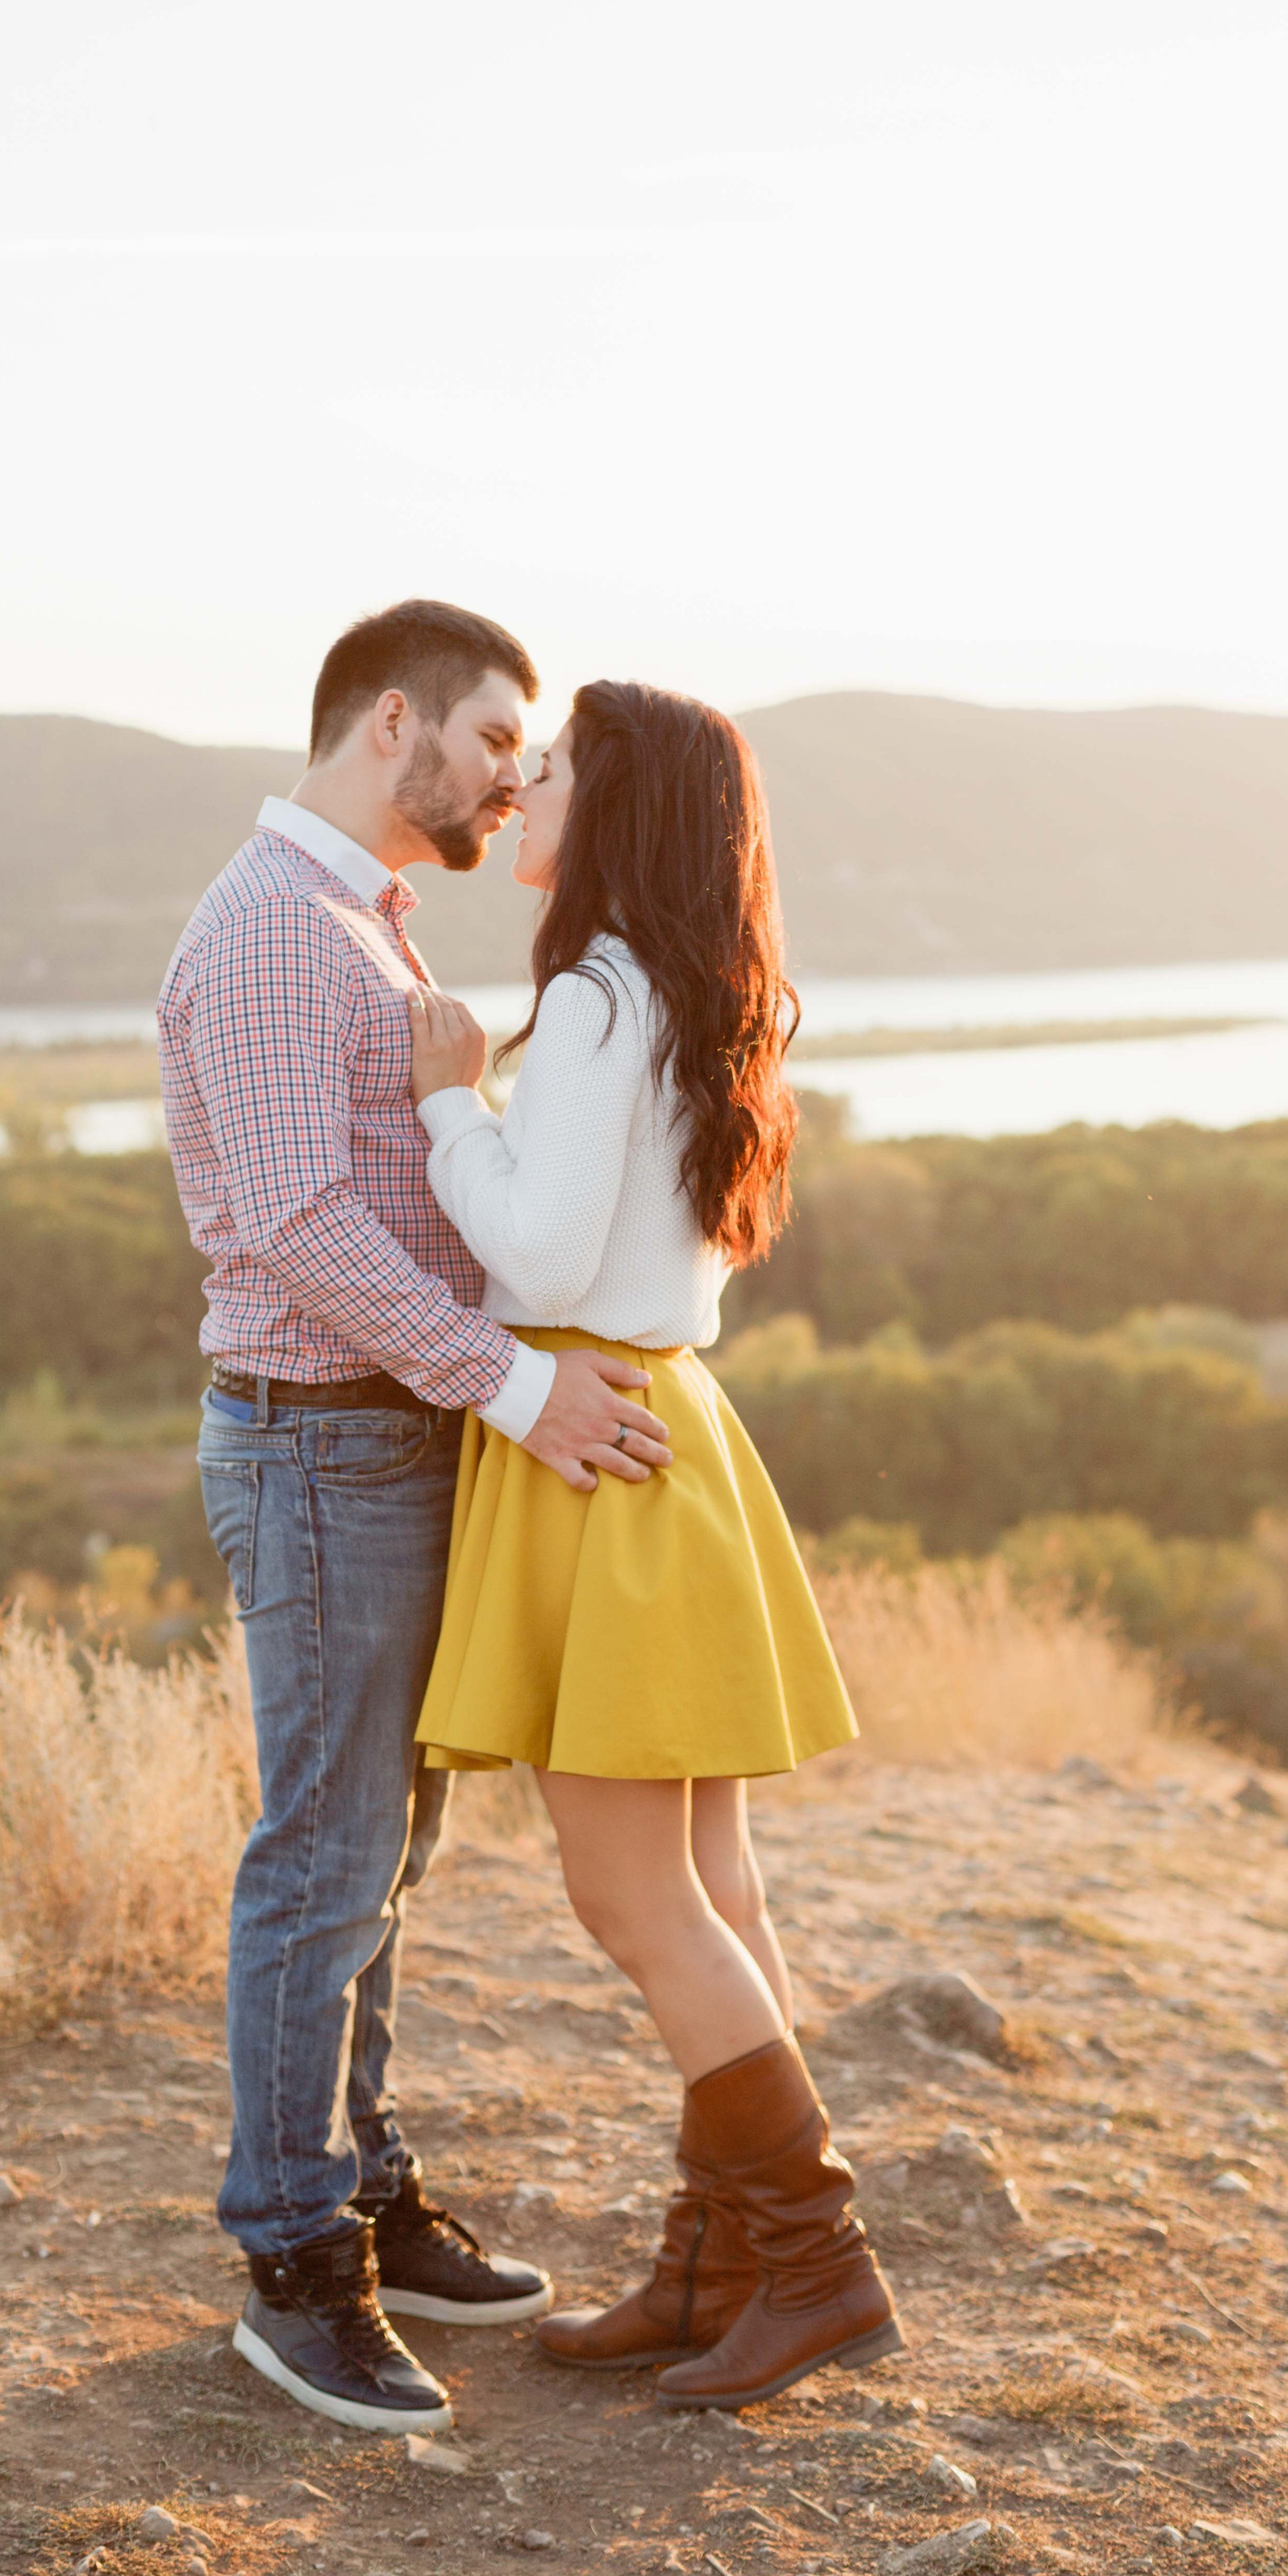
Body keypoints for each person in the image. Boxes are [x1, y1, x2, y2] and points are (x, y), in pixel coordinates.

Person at [157, 601, 674, 2438]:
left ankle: (359, 2182)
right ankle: (295, 2265)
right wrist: (515, 1387)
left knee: (383, 1853)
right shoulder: (272, 934)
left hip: (390, 1441)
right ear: (395, 724)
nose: (513, 780)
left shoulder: (360, 923)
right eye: (496, 741)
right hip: (320, 1447)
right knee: (324, 1858)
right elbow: (302, 1225)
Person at [405, 680, 901, 2410]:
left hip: (593, 1438)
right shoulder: (691, 986)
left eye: (544, 771)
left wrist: (451, 1103)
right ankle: (723, 2264)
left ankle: (818, 2264)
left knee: (631, 1894)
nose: (518, 792)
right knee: (713, 1883)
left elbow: (537, 1261)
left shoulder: (598, 993)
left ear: (608, 808)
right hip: (664, 1428)